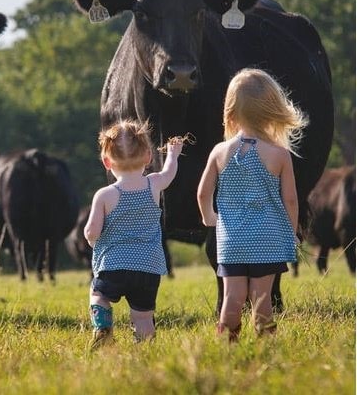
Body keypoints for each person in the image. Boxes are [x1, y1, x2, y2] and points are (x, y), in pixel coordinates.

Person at [197, 68, 307, 342]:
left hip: (231, 240)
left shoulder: (220, 152)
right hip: (267, 239)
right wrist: (290, 232)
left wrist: (210, 218)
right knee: (262, 299)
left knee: (232, 298)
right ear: (272, 111)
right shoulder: (279, 154)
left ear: (230, 112)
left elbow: (202, 193)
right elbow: (290, 200)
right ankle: (265, 347)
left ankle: (227, 343)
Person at [83, 120, 183, 349]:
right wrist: (173, 154)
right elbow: (169, 173)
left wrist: (90, 238)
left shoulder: (106, 194)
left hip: (113, 265)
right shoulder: (154, 184)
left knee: (99, 295)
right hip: (148, 267)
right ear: (148, 156)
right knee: (143, 315)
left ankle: (103, 328)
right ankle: (145, 348)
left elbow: (92, 231)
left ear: (107, 162)